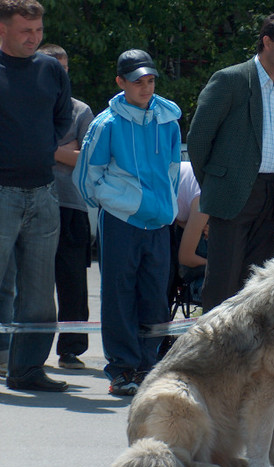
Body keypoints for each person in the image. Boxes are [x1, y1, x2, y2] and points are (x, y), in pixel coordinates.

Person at [73, 49, 181, 395]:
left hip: (159, 222)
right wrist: (112, 203)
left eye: (150, 80)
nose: (146, 87)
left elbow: (173, 172)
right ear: (121, 83)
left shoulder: (168, 119)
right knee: (119, 295)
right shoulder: (106, 124)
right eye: (138, 82)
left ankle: (147, 367)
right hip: (121, 221)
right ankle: (121, 369)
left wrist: (163, 205)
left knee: (155, 296)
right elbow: (86, 177)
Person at [187, 13, 274, 312]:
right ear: (267, 42)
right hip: (233, 194)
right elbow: (198, 142)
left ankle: (246, 356)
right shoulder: (230, 80)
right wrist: (215, 189)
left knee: (256, 284)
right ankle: (213, 355)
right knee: (223, 283)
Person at [0, 0, 72, 392]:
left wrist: (43, 148)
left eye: (39, 30)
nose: (34, 38)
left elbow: (62, 118)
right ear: (3, 30)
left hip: (43, 192)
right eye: (26, 31)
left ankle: (26, 370)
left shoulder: (49, 70)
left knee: (40, 293)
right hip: (1, 193)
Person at [37, 43, 94, 370]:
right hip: (33, 203)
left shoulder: (80, 111)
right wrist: (62, 151)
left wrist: (47, 150)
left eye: (63, 69)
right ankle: (28, 349)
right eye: (51, 69)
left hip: (71, 206)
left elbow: (88, 161)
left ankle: (71, 348)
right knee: (32, 284)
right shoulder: (24, 106)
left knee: (72, 282)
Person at [174, 161, 208, 304]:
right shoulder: (204, 200)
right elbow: (185, 257)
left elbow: (177, 216)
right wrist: (215, 265)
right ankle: (198, 289)